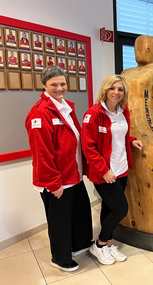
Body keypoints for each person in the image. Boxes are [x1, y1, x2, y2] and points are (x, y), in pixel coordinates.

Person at [25, 65, 93, 272]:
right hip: (56, 181)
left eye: (62, 83)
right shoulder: (39, 113)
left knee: (79, 213)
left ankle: (77, 245)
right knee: (60, 222)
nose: (59, 88)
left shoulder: (66, 108)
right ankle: (61, 258)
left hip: (73, 175)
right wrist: (54, 183)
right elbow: (42, 153)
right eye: (54, 84)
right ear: (44, 85)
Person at [82, 74, 143, 265]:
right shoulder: (93, 114)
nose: (116, 92)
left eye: (120, 89)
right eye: (113, 88)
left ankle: (108, 243)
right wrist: (103, 170)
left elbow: (119, 136)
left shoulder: (124, 112)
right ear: (105, 90)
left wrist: (132, 141)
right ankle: (99, 245)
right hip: (104, 173)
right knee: (121, 209)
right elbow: (88, 147)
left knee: (109, 207)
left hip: (122, 168)